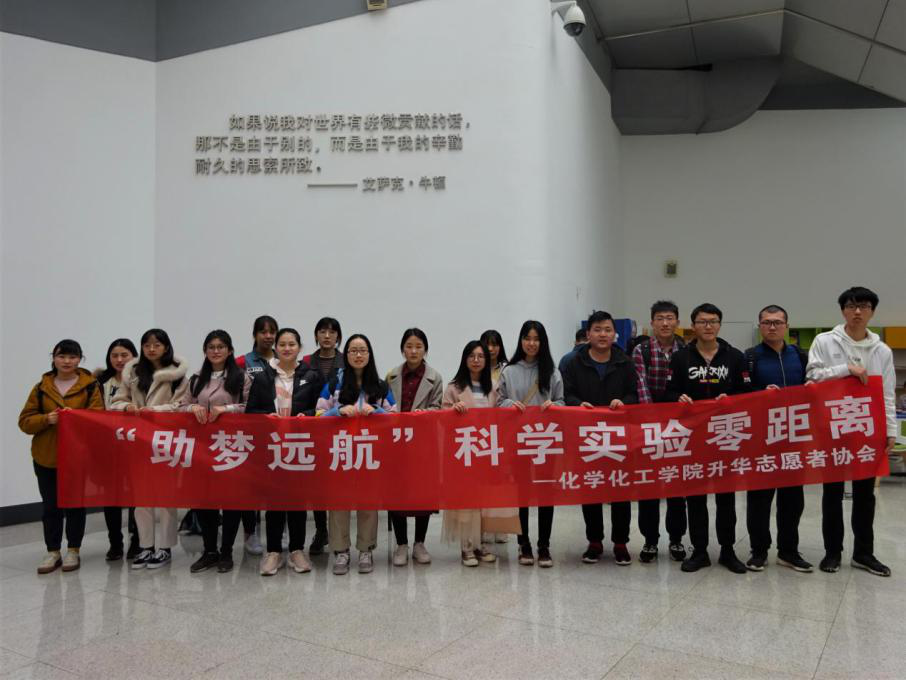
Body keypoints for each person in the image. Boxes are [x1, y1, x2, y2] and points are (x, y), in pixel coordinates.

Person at [807, 286, 896, 577]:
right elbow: (813, 377)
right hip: (831, 429)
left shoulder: (882, 350)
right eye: (851, 306)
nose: (857, 311)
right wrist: (846, 369)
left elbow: (887, 394)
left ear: (872, 311)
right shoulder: (824, 341)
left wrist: (890, 431)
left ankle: (863, 553)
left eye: (864, 306)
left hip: (867, 430)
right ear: (843, 310)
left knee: (865, 495)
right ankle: (832, 552)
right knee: (832, 493)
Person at [664, 304, 751, 574]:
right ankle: (699, 551)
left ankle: (727, 550)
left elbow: (747, 392)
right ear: (693, 326)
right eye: (702, 321)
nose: (708, 326)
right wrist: (678, 397)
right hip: (693, 436)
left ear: (720, 325)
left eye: (713, 321)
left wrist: (732, 399)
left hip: (726, 435)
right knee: (695, 497)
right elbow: (668, 391)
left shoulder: (735, 357)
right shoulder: (680, 358)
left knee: (726, 497)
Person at [18, 339, 104, 574]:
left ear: (80, 359)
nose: (67, 361)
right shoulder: (41, 387)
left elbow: (98, 418)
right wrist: (47, 419)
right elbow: (24, 422)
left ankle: (74, 549)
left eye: (72, 357)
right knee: (50, 506)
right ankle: (53, 551)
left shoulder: (90, 386)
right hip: (46, 456)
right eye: (62, 356)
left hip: (77, 456)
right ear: (53, 358)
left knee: (75, 505)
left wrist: (75, 417)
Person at [563, 310, 639, 566]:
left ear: (615, 334)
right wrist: (578, 404)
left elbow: (634, 394)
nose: (603, 334)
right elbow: (567, 394)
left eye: (607, 329)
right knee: (591, 489)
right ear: (588, 334)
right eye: (597, 330)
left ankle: (621, 543)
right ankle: (594, 541)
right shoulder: (574, 363)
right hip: (587, 435)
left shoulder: (625, 362)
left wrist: (624, 402)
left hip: (619, 436)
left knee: (620, 490)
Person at [245, 328, 324, 576]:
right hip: (272, 447)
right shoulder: (263, 377)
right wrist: (265, 417)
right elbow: (251, 412)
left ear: (299, 348)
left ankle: (297, 550)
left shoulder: (311, 375)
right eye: (282, 344)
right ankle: (273, 552)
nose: (287, 348)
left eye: (292, 344)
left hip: (301, 445)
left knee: (298, 500)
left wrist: (306, 415)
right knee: (274, 501)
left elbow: (321, 408)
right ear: (276, 348)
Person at [110, 329, 190, 569]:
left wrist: (154, 411)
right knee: (141, 498)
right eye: (147, 345)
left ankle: (164, 547)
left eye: (157, 344)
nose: (152, 349)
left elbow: (181, 406)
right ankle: (146, 546)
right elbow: (117, 400)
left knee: (165, 497)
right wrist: (127, 407)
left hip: (165, 441)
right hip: (138, 441)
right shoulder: (133, 372)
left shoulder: (178, 374)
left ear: (166, 346)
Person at [317, 334, 396, 575]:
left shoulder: (381, 386)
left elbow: (395, 419)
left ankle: (365, 549)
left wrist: (378, 411)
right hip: (340, 452)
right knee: (338, 502)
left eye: (363, 350)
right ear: (347, 355)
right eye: (353, 350)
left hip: (370, 453)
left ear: (369, 354)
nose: (358, 355)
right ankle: (340, 551)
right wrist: (338, 411)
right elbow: (318, 416)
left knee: (368, 502)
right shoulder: (334, 383)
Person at [743, 305, 813, 573]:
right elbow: (741, 393)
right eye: (767, 322)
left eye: (777, 322)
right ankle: (759, 551)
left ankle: (789, 551)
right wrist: (761, 393)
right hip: (762, 438)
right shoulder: (750, 357)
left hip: (794, 436)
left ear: (786, 326)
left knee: (792, 498)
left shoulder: (801, 356)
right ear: (760, 326)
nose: (772, 327)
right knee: (759, 498)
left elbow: (814, 386)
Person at [181, 330, 253, 574]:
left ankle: (226, 551)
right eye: (211, 347)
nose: (216, 351)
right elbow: (181, 406)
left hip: (231, 446)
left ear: (230, 350)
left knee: (231, 501)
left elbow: (250, 407)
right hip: (202, 448)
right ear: (205, 351)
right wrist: (192, 408)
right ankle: (209, 550)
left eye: (221, 347)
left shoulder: (241, 377)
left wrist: (227, 409)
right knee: (204, 500)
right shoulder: (196, 378)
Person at [497, 320, 565, 568]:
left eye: (536, 339)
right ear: (521, 340)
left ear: (542, 342)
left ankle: (544, 544)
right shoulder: (509, 371)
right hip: (519, 440)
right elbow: (499, 402)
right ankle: (523, 542)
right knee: (522, 493)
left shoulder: (552, 371)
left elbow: (562, 401)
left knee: (546, 492)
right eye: (527, 338)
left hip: (545, 441)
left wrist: (554, 406)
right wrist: (509, 405)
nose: (532, 343)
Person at [632, 301, 687, 563]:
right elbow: (641, 387)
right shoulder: (641, 350)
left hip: (680, 428)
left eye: (670, 318)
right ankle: (650, 541)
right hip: (650, 428)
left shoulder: (686, 350)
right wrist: (654, 424)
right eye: (660, 318)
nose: (665, 323)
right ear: (652, 322)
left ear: (677, 322)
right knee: (649, 488)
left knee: (677, 488)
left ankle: (676, 538)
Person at [441, 341, 504, 566]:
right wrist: (452, 411)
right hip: (464, 451)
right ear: (465, 359)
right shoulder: (454, 387)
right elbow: (441, 418)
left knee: (485, 501)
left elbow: (501, 416)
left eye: (480, 356)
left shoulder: (493, 387)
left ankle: (481, 544)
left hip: (487, 451)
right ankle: (466, 547)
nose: (476, 360)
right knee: (466, 501)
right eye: (471, 356)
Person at [386, 328, 444, 567]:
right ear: (402, 349)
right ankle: (401, 544)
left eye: (418, 347)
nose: (413, 351)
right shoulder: (391, 375)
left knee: (423, 494)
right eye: (409, 346)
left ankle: (420, 543)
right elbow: (386, 406)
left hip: (423, 444)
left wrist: (424, 414)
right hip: (397, 443)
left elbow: (438, 408)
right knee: (396, 493)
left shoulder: (435, 377)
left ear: (425, 350)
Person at [235, 315, 279, 557]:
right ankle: (250, 532)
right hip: (250, 432)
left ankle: (279, 530)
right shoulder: (243, 362)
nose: (268, 336)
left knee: (277, 483)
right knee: (250, 485)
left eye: (272, 331)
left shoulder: (283, 360)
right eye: (263, 331)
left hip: (278, 434)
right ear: (255, 335)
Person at [301, 316, 345, 555]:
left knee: (336, 481)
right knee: (317, 481)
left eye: (332, 332)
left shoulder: (346, 360)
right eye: (322, 331)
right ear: (316, 335)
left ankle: (338, 533)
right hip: (313, 425)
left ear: (338, 336)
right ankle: (321, 530)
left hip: (340, 428)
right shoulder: (306, 362)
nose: (327, 336)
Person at [95, 338, 140, 561]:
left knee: (136, 496)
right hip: (107, 446)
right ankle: (115, 542)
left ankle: (137, 540)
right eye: (115, 355)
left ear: (134, 356)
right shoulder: (99, 381)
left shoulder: (141, 378)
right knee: (111, 496)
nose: (120, 360)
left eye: (125, 355)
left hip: (136, 444)